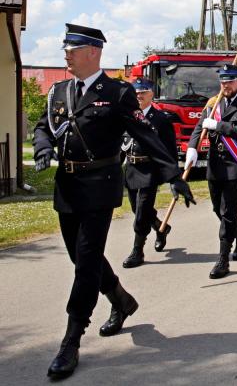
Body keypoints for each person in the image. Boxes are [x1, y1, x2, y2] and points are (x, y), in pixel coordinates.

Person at [33, 24, 194, 379]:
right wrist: (43, 147)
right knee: (80, 257)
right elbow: (44, 126)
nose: (66, 54)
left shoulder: (117, 92)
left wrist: (173, 175)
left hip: (99, 186)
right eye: (66, 49)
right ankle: (121, 300)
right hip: (67, 187)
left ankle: (72, 338)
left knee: (86, 261)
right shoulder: (60, 90)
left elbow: (145, 135)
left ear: (93, 52)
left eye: (72, 49)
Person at [186, 64, 237, 279]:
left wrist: (218, 126)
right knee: (218, 209)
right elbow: (199, 127)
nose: (226, 85)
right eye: (223, 81)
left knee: (227, 212)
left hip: (235, 165)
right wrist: (192, 147)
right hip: (215, 165)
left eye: (230, 81)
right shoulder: (213, 104)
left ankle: (223, 260)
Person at [120, 78, 178, 268]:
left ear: (152, 94)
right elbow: (121, 145)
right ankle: (161, 227)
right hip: (131, 169)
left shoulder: (161, 119)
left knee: (142, 211)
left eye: (143, 92)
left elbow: (170, 150)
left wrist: (173, 177)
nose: (139, 96)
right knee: (137, 209)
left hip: (150, 170)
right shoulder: (127, 116)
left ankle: (137, 251)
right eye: (136, 92)